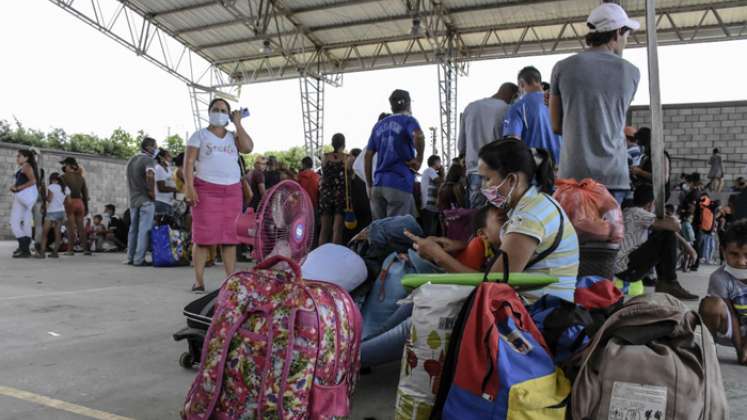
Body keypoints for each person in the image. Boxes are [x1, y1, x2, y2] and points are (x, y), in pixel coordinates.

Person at [408, 139, 579, 302]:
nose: (483, 187)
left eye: (487, 178)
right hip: (537, 305)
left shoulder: (529, 217)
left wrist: (439, 257)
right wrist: (458, 246)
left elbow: (493, 285)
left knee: (427, 304)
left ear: (511, 180)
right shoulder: (534, 204)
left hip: (536, 313)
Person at [550, 2, 641, 203]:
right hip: (613, 177)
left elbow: (556, 125)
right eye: (626, 35)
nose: (626, 40)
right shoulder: (632, 72)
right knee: (609, 233)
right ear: (618, 32)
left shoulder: (562, 68)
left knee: (572, 234)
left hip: (573, 175)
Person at [185, 97, 254, 293]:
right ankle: (199, 281)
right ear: (209, 112)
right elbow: (189, 162)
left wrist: (238, 123)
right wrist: (190, 187)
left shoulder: (233, 136)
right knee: (203, 238)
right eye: (216, 109)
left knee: (230, 238)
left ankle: (230, 280)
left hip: (232, 191)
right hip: (206, 190)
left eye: (224, 110)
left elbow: (248, 148)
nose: (219, 113)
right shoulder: (199, 136)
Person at [614, 185, 698, 300]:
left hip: (624, 266)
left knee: (665, 234)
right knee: (667, 234)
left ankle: (665, 282)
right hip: (627, 268)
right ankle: (669, 282)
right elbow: (675, 226)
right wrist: (663, 214)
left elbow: (670, 231)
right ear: (652, 203)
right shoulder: (639, 213)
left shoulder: (629, 211)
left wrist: (687, 245)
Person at [365, 89, 425, 220]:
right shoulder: (408, 120)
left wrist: (369, 184)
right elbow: (418, 135)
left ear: (391, 106)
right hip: (399, 184)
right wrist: (419, 158)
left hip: (378, 186)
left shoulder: (378, 125)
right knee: (397, 233)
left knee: (380, 232)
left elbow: (367, 155)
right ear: (408, 103)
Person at [458, 83, 519, 208]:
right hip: (497, 174)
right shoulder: (507, 109)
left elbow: (461, 146)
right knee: (498, 217)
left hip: (474, 171)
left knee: (477, 218)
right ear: (514, 96)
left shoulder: (471, 107)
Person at [698, 220, 747, 364]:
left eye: (746, 254)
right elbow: (731, 314)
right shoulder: (719, 278)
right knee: (711, 306)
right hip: (731, 329)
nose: (741, 261)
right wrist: (740, 351)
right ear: (723, 251)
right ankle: (708, 350)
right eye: (734, 254)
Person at [502, 66, 562, 166]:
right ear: (539, 81)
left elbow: (513, 142)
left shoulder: (518, 107)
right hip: (562, 166)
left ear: (521, 84)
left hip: (535, 169)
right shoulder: (558, 102)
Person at [126, 137, 158, 266]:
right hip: (145, 200)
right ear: (149, 147)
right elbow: (150, 175)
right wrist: (151, 191)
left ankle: (130, 257)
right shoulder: (148, 159)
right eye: (155, 146)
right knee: (144, 229)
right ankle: (139, 259)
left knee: (133, 230)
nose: (156, 149)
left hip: (133, 200)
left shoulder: (131, 160)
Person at [319, 133, 350, 245]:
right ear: (344, 143)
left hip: (326, 194)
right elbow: (351, 176)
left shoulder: (325, 157)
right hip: (340, 194)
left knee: (324, 229)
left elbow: (323, 172)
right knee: (337, 229)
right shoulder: (347, 158)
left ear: (332, 143)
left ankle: (320, 256)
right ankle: (335, 258)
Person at [9, 149, 40, 258]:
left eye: (19, 156)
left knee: (14, 222)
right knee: (26, 223)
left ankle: (24, 248)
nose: (17, 158)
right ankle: (25, 249)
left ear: (26, 157)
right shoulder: (27, 165)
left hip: (22, 197)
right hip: (25, 198)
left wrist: (17, 188)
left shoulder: (26, 166)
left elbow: (33, 181)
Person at [60, 157, 91, 255]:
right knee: (81, 227)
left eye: (64, 164)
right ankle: (85, 249)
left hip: (70, 202)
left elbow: (61, 192)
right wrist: (86, 207)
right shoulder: (81, 178)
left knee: (71, 228)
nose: (63, 166)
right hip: (80, 203)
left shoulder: (63, 177)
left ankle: (70, 250)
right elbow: (85, 195)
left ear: (68, 165)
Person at [34, 172, 66, 258]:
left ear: (52, 179)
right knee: (57, 233)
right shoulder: (64, 188)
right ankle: (55, 253)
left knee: (45, 234)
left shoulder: (51, 187)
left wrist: (43, 195)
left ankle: (42, 253)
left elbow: (49, 199)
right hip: (61, 212)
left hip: (52, 212)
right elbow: (65, 201)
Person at [420, 155, 443, 236]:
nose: (441, 164)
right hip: (428, 205)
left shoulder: (429, 171)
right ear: (436, 162)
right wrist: (442, 172)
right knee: (429, 232)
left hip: (431, 206)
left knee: (432, 231)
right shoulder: (430, 170)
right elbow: (439, 182)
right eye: (439, 162)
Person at [154, 148, 177, 218]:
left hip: (169, 202)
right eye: (168, 156)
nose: (170, 158)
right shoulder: (158, 169)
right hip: (160, 202)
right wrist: (176, 189)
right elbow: (161, 188)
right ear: (161, 158)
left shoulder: (169, 169)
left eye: (170, 156)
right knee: (162, 226)